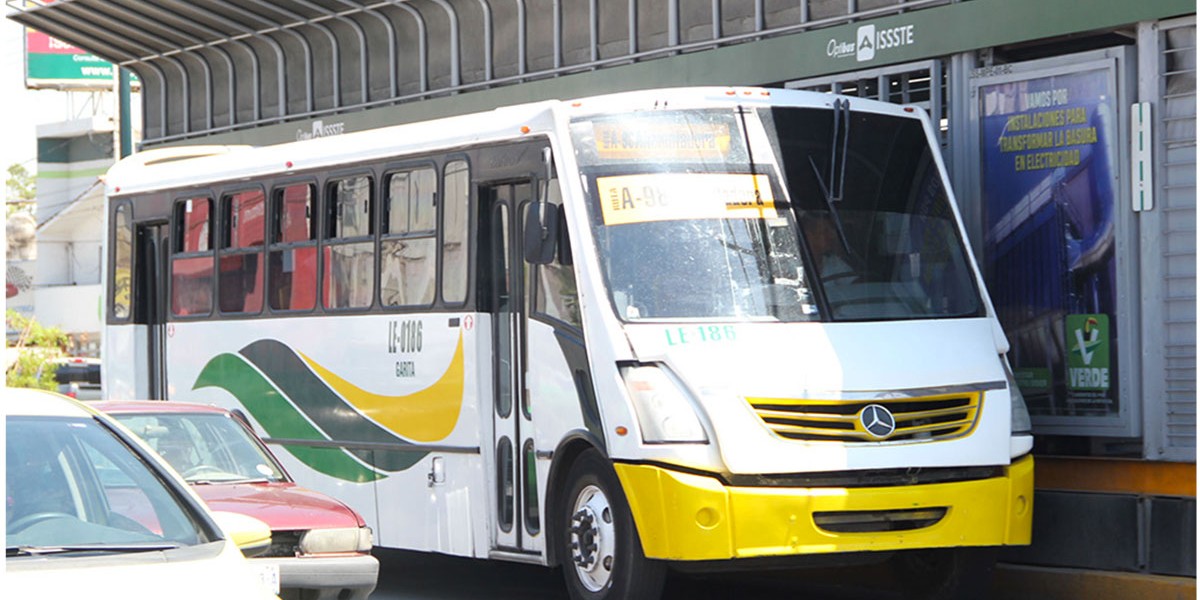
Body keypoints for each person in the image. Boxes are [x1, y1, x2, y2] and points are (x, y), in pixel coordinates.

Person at [802, 211, 858, 285]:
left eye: (831, 231)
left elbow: (855, 285)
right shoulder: (792, 265)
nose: (831, 236)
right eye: (825, 231)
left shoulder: (833, 262)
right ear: (809, 236)